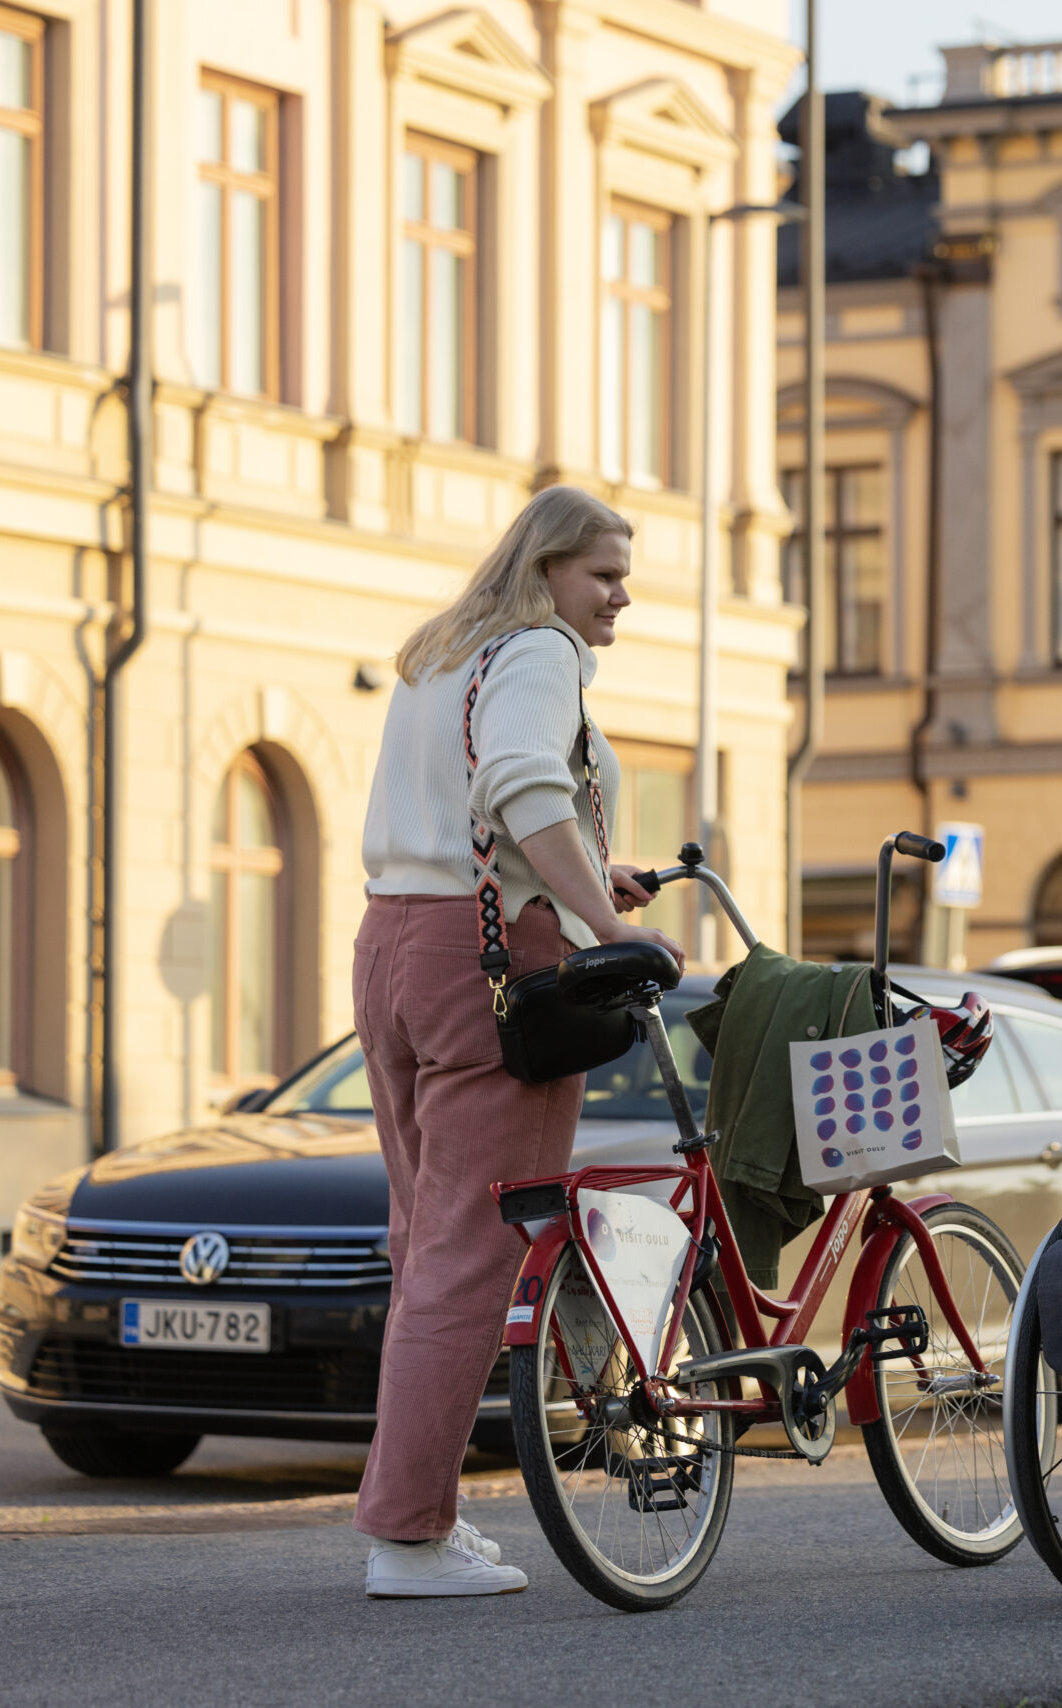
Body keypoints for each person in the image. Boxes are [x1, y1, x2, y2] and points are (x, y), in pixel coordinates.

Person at [350, 486, 679, 1597]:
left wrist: (584, 868)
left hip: (394, 942)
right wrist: (607, 926)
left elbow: (478, 813)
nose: (620, 596)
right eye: (604, 574)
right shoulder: (540, 652)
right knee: (473, 1252)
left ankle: (412, 1522)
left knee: (424, 1242)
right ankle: (408, 1538)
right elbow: (522, 785)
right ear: (545, 570)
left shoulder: (444, 652)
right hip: (490, 962)